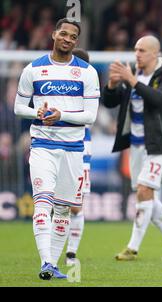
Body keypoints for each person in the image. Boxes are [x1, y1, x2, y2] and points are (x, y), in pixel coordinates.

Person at [14, 18, 100, 280]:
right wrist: (37, 113)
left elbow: (91, 116)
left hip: (73, 149)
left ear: (76, 41)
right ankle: (46, 262)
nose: (68, 39)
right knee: (43, 201)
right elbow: (18, 107)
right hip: (42, 145)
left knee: (63, 209)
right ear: (53, 34)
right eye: (63, 33)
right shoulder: (33, 69)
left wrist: (60, 113)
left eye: (73, 36)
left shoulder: (87, 72)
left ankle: (53, 263)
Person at [102, 35, 162, 261]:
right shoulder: (134, 74)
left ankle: (133, 248)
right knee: (146, 195)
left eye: (141, 50)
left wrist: (131, 80)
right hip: (137, 145)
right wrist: (112, 85)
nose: (136, 54)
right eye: (135, 49)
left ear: (154, 53)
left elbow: (158, 99)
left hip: (158, 144)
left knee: (143, 191)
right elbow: (110, 102)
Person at [64, 48, 92, 265]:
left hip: (81, 147)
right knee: (58, 203)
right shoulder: (59, 84)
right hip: (56, 145)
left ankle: (71, 253)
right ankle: (52, 251)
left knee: (75, 205)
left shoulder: (89, 86)